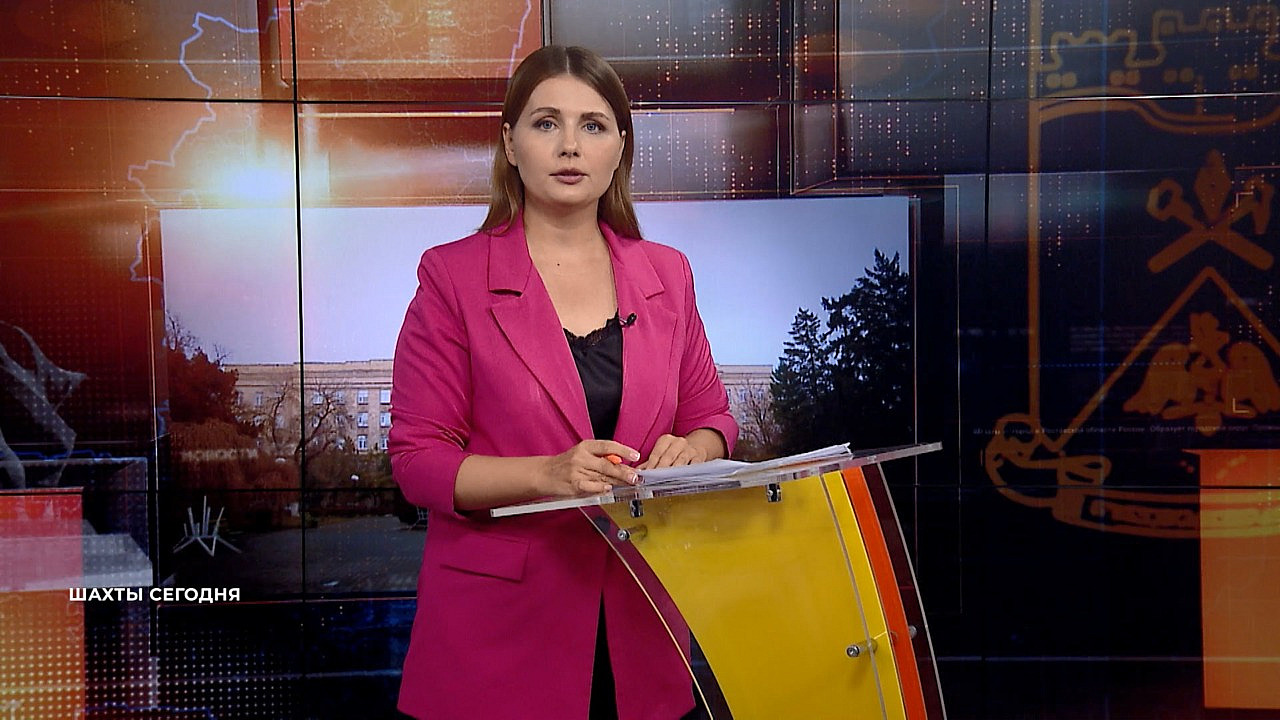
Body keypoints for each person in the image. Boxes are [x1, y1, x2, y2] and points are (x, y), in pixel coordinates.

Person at [389, 44, 738, 720]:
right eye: (546, 123)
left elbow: (714, 418)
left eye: (593, 125)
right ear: (510, 145)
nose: (570, 145)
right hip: (497, 640)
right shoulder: (452, 276)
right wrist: (548, 474)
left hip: (643, 624)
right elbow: (418, 462)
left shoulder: (668, 273)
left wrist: (694, 449)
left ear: (620, 148)